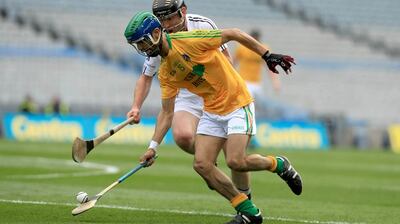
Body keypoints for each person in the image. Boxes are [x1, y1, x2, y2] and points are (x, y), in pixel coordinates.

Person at [124, 12, 302, 224]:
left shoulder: (191, 39)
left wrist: (267, 55)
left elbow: (234, 34)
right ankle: (248, 212)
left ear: (155, 33)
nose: (142, 49)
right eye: (138, 46)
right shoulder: (165, 72)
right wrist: (153, 146)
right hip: (212, 110)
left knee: (236, 161)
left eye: (143, 43)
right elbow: (167, 112)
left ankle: (279, 164)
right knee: (202, 164)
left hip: (237, 102)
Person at [126, 0, 253, 200]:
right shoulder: (157, 39)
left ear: (182, 12)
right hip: (187, 91)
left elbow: (226, 59)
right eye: (161, 19)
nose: (165, 25)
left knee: (235, 157)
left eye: (168, 18)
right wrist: (136, 106)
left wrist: (227, 90)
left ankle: (246, 197)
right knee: (183, 136)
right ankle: (209, 163)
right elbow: (146, 76)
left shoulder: (202, 25)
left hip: (215, 87)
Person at [234, 29, 281, 96]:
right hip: (244, 81)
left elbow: (270, 66)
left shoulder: (263, 49)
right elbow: (233, 63)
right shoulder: (242, 48)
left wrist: (275, 81)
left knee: (257, 104)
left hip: (257, 83)